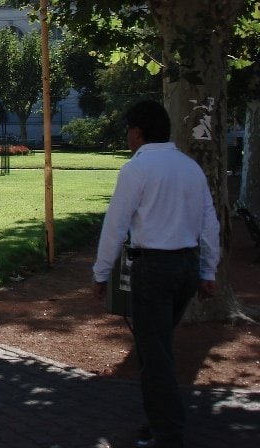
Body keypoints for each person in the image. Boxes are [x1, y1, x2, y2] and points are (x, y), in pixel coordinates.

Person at [92, 100, 220, 448]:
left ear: (137, 132)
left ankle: (167, 430)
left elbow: (116, 225)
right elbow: (209, 223)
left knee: (155, 353)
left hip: (155, 268)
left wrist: (100, 273)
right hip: (187, 266)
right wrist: (208, 270)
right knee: (157, 348)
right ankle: (159, 419)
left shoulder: (137, 169)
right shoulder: (190, 167)